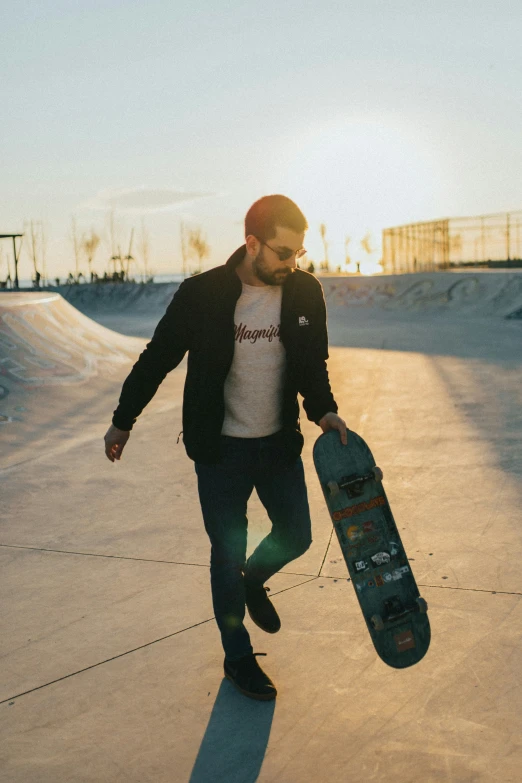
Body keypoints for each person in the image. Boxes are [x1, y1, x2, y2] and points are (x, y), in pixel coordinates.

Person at [104, 195, 347, 701]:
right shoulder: (203, 294)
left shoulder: (304, 292)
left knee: (297, 536)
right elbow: (158, 358)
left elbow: (312, 363)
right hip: (221, 451)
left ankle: (253, 579)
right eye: (283, 252)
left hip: (277, 443)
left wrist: (324, 410)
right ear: (252, 243)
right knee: (224, 554)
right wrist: (123, 421)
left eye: (299, 253)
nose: (292, 263)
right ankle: (237, 657)